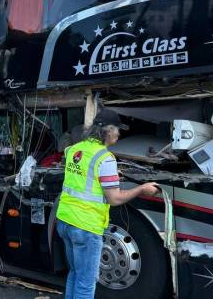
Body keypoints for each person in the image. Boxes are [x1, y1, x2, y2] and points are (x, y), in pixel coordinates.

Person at [56, 109, 159, 299]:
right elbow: (114, 198)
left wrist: (109, 177)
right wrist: (141, 189)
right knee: (86, 284)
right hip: (86, 226)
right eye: (117, 130)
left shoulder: (75, 149)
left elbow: (84, 176)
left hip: (65, 220)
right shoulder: (105, 158)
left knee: (75, 274)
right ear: (108, 131)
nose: (119, 134)